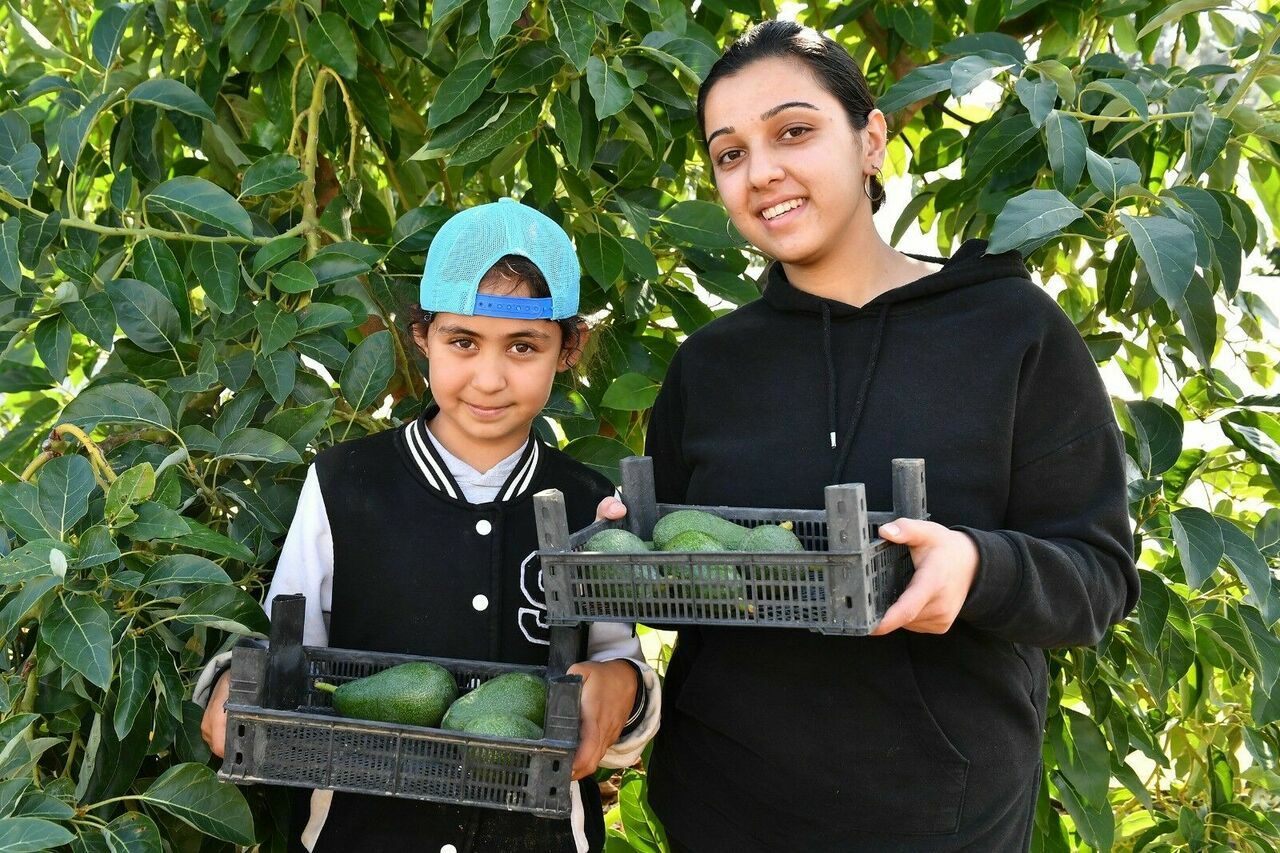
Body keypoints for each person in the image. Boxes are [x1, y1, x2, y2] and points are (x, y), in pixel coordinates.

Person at [596, 20, 1138, 852]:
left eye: (794, 131)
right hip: (723, 807)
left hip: (942, 817)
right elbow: (678, 557)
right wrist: (621, 554)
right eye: (729, 153)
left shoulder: (1010, 331)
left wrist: (976, 564)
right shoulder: (710, 365)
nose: (761, 171)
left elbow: (1098, 580)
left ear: (871, 139)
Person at [199, 198, 661, 853]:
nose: (489, 377)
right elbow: (285, 655)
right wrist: (234, 681)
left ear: (570, 348)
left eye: (523, 346)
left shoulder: (591, 505)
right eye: (462, 341)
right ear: (422, 336)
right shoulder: (342, 484)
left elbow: (619, 676)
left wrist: (622, 686)